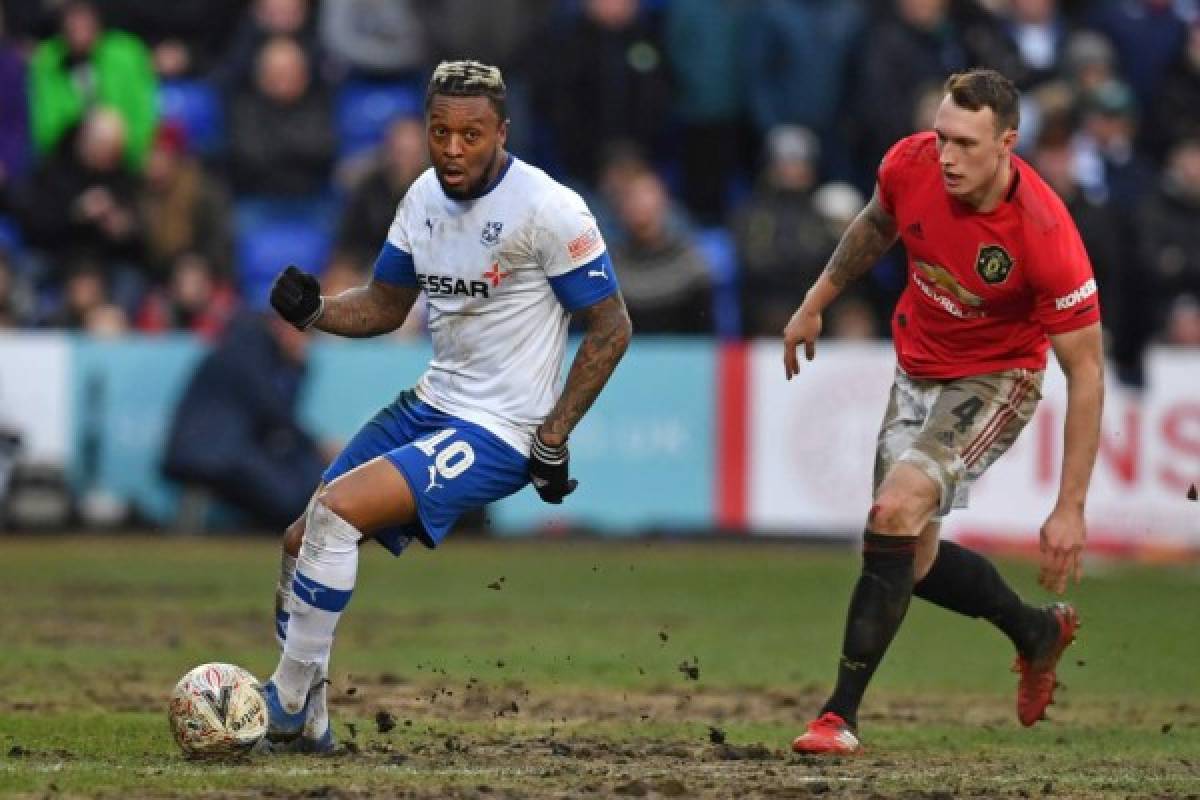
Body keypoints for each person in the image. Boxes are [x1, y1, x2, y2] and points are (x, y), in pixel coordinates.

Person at [260, 60, 632, 752]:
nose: (453, 149)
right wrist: (314, 311)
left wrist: (552, 438)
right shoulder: (423, 197)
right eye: (440, 132)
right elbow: (384, 304)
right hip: (430, 402)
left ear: (502, 132)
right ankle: (309, 724)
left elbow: (612, 327)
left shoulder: (550, 209)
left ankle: (281, 700)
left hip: (501, 429)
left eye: (471, 134)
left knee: (336, 516)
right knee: (299, 539)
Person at [782, 68, 1103, 755]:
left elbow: (1087, 372)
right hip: (917, 368)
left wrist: (1070, 507)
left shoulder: (1045, 233)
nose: (947, 156)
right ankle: (1036, 632)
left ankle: (838, 716)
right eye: (941, 136)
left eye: (964, 143)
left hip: (995, 378)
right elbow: (876, 223)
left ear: (1008, 144)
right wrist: (815, 302)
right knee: (908, 553)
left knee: (892, 514)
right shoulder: (910, 162)